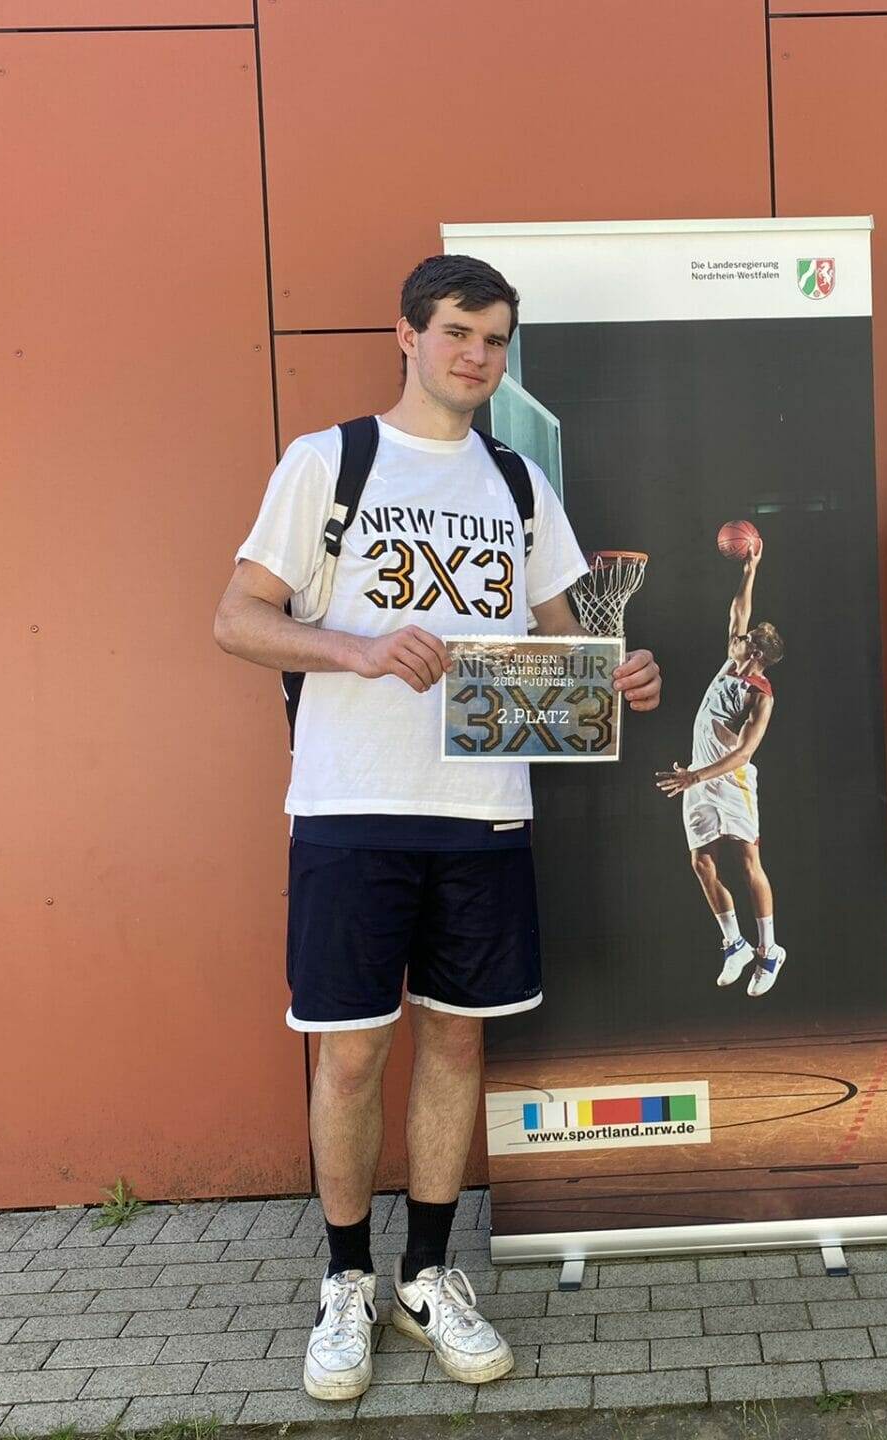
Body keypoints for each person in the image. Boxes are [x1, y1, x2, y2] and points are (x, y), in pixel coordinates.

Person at [214, 255, 661, 1402]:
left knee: (457, 1045)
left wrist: (621, 676)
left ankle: (425, 1275)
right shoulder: (330, 463)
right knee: (353, 1052)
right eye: (459, 331)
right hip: (350, 808)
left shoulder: (518, 482)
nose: (478, 356)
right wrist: (358, 648)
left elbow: (564, 647)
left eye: (496, 339)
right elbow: (238, 619)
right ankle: (345, 1281)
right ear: (406, 336)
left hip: (483, 811)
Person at [655, 541, 788, 996]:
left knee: (748, 861)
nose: (740, 638)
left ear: (759, 654)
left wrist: (696, 775)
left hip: (731, 780)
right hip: (698, 776)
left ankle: (769, 950)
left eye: (749, 640)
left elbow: (744, 754)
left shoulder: (760, 695)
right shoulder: (732, 658)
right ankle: (735, 943)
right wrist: (750, 570)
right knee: (701, 861)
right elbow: (738, 611)